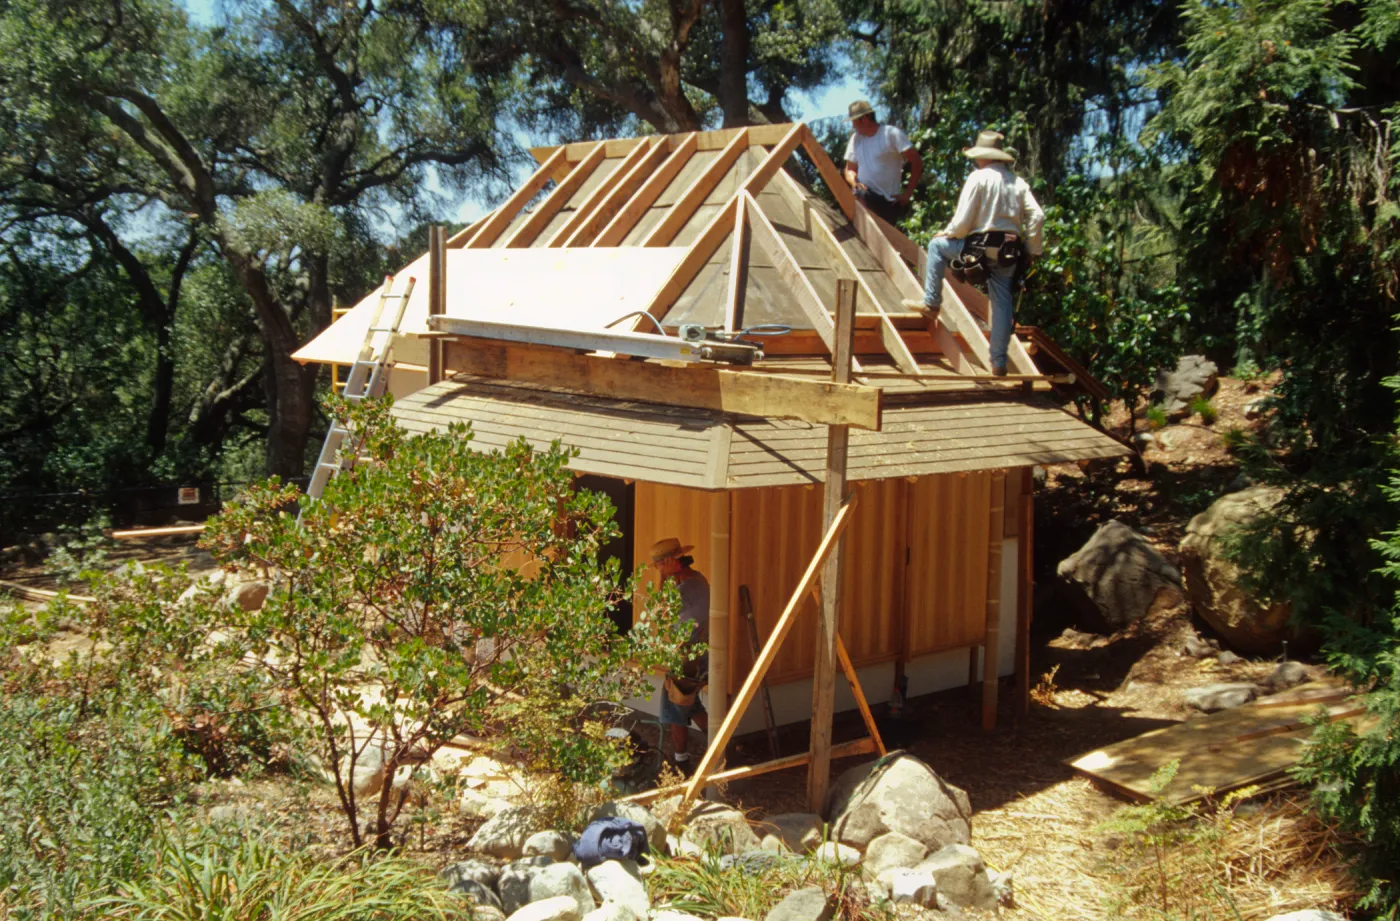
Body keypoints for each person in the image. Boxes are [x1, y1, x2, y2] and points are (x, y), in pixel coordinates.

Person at [921, 129, 1045, 377]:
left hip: (977, 250)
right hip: (1008, 253)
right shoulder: (1018, 183)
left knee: (936, 246)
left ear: (984, 156)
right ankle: (998, 362)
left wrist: (948, 233)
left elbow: (963, 220)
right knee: (1002, 303)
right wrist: (1032, 249)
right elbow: (1038, 216)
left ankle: (932, 303)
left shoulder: (978, 178)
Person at [649, 537, 710, 769]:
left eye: (659, 565)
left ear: (670, 562)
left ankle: (681, 763)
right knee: (690, 705)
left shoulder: (687, 588)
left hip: (688, 655)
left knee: (674, 706)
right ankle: (724, 747)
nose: (658, 569)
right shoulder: (694, 580)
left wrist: (662, 579)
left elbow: (658, 613)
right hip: (695, 651)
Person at [843, 100, 923, 226]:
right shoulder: (856, 139)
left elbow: (916, 161)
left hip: (889, 201)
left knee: (884, 233)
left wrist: (907, 193)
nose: (853, 125)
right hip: (866, 195)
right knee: (859, 195)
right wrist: (855, 183)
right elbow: (849, 169)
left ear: (864, 119)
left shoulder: (890, 134)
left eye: (854, 121)